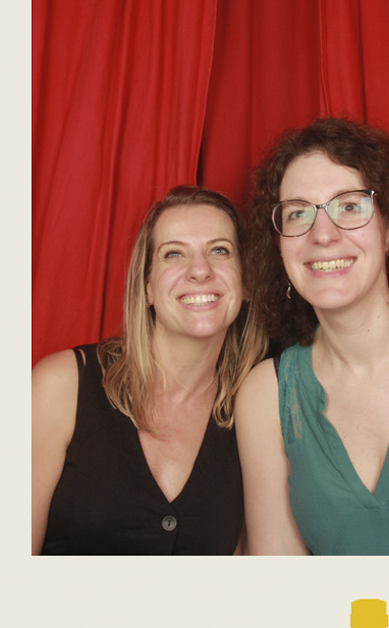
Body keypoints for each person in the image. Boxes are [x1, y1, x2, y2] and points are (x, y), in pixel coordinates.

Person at [235, 118, 389, 556]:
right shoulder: (266, 395)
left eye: (349, 207)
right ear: (279, 247)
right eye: (298, 213)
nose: (322, 234)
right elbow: (280, 584)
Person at [31, 186, 262, 554]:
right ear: (148, 287)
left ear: (246, 280)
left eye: (219, 251)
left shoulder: (257, 412)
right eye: (174, 254)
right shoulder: (60, 386)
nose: (200, 271)